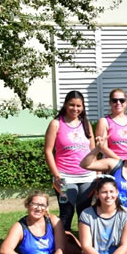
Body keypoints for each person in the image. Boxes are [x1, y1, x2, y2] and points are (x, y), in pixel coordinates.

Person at [43, 90, 96, 232]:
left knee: (85, 213)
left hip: (87, 178)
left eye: (79, 106)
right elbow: (48, 151)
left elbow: (93, 151)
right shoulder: (56, 124)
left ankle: (83, 247)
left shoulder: (86, 124)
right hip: (65, 178)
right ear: (66, 104)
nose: (75, 109)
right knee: (66, 213)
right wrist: (56, 175)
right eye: (72, 105)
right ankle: (63, 248)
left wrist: (97, 173)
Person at [94, 88, 127, 160]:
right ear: (110, 103)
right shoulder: (104, 121)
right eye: (114, 100)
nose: (118, 103)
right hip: (113, 164)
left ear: (126, 102)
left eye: (122, 100)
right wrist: (121, 162)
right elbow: (102, 148)